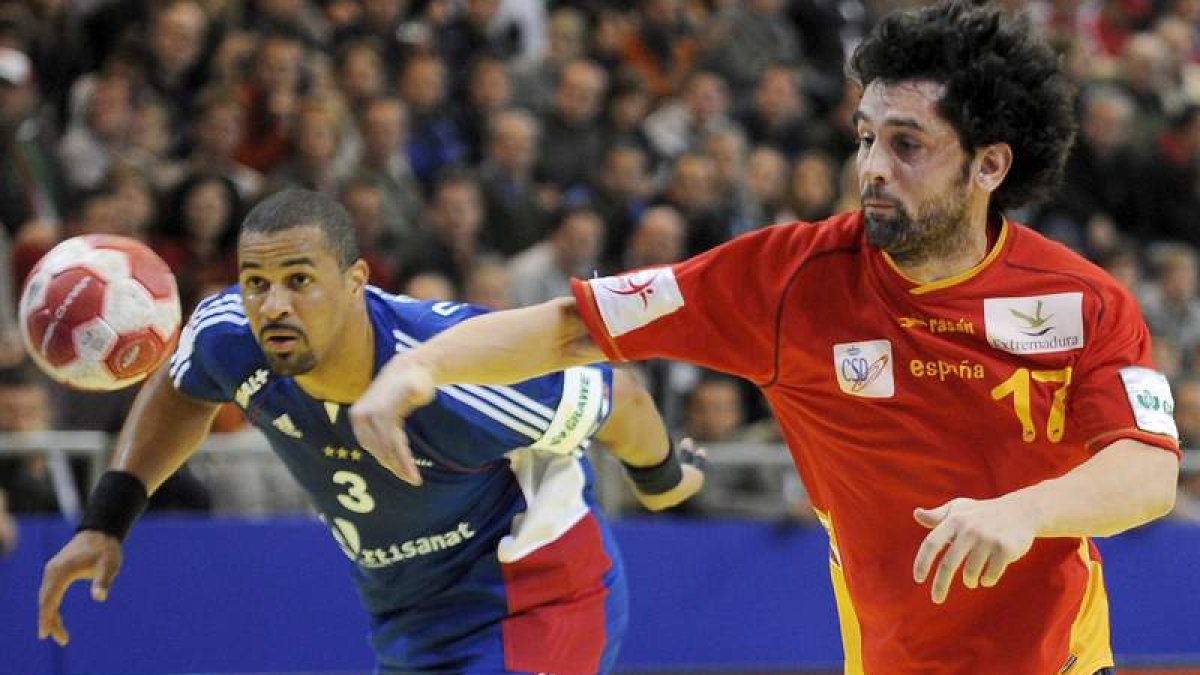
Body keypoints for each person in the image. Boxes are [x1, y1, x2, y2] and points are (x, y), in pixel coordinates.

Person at [346, 3, 1181, 674]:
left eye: (907, 144)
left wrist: (1025, 511)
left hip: (1066, 658)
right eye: (866, 136)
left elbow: (1147, 471)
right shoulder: (787, 279)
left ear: (989, 165)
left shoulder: (1082, 300)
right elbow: (577, 327)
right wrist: (419, 365)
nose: (872, 166)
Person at [36, 189, 704, 674]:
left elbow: (622, 402)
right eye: (256, 282)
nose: (273, 305)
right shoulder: (229, 336)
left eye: (299, 280)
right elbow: (183, 390)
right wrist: (107, 519)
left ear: (355, 280)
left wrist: (664, 480)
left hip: (541, 600)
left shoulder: (454, 371)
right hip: (410, 622)